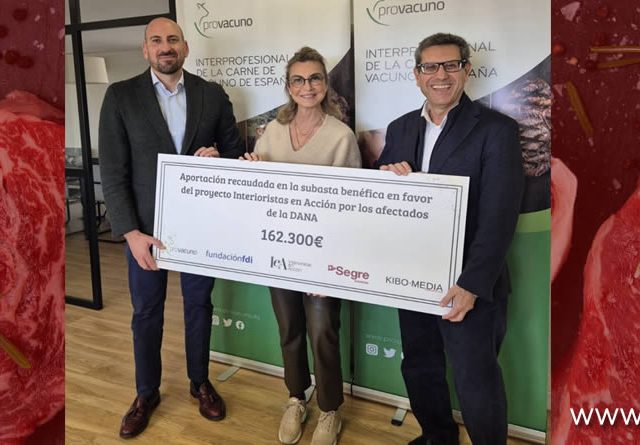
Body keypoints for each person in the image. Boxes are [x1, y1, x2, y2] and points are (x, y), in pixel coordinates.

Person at [99, 17, 244, 439]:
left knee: (199, 306)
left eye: (173, 40)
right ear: (145, 49)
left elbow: (235, 153)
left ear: (185, 47)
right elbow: (113, 171)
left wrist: (218, 159)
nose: (166, 47)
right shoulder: (121, 96)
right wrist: (130, 233)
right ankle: (146, 393)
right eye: (157, 40)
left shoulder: (211, 95)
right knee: (146, 313)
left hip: (200, 228)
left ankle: (200, 382)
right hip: (144, 232)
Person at [375, 33, 524, 445]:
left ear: (466, 70)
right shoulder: (400, 128)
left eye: (451, 65)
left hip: (467, 283)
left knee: (476, 380)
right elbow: (379, 196)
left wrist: (472, 284)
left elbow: (499, 217)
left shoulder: (496, 130)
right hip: (412, 276)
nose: (440, 75)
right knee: (419, 367)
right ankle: (438, 437)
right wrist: (386, 178)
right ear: (417, 75)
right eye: (430, 67)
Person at [241, 47, 361, 445]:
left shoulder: (341, 136)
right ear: (288, 86)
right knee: (289, 328)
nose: (307, 87)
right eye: (298, 79)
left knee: (323, 331)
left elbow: (352, 206)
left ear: (325, 84)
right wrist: (251, 171)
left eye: (314, 78)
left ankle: (329, 409)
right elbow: (261, 194)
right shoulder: (271, 132)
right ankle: (296, 397)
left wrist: (331, 266)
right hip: (279, 253)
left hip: (323, 259)